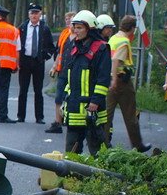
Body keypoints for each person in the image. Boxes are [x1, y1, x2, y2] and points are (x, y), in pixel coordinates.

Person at [60, 10, 111, 155]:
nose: (76, 31)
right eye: (74, 27)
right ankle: (72, 176)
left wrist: (95, 102)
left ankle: (101, 176)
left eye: (80, 27)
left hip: (91, 109)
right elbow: (70, 78)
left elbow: (103, 80)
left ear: (90, 29)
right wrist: (65, 100)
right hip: (75, 108)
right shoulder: (74, 47)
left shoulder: (101, 49)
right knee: (71, 151)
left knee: (97, 151)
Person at [104, 14, 151, 152]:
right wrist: (115, 80)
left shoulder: (113, 38)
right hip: (121, 82)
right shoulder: (124, 42)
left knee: (107, 115)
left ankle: (103, 144)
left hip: (109, 80)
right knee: (130, 115)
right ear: (132, 28)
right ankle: (138, 145)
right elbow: (116, 60)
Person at [16, 3, 55, 123]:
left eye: (36, 13)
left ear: (40, 14)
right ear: (28, 14)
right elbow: (17, 43)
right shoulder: (22, 27)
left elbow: (51, 47)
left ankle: (39, 117)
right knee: (23, 90)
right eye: (32, 13)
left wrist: (44, 57)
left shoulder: (45, 28)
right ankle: (21, 116)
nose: (34, 15)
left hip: (38, 62)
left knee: (38, 91)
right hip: (25, 61)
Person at [45, 11, 76, 134]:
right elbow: (60, 52)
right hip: (63, 71)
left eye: (73, 22)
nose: (70, 23)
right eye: (68, 20)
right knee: (58, 97)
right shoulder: (65, 34)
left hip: (74, 72)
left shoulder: (81, 38)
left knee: (72, 98)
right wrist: (54, 67)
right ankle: (57, 122)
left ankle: (70, 121)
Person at [0, 5, 20, 123]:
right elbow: (18, 49)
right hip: (7, 65)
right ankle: (3, 115)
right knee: (3, 90)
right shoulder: (14, 30)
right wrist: (17, 64)